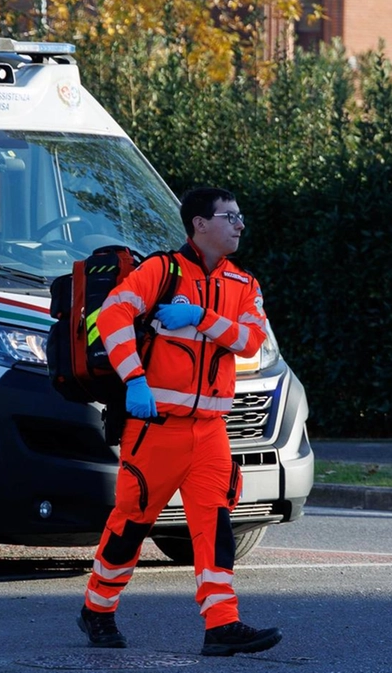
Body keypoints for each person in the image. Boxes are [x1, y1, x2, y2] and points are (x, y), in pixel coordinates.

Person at [76, 187, 282, 657]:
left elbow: (251, 341)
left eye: (239, 216)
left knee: (216, 524)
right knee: (132, 522)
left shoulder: (244, 284)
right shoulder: (162, 270)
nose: (239, 225)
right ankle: (98, 608)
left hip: (210, 430)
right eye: (229, 217)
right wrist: (134, 380)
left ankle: (222, 624)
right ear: (199, 224)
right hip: (156, 428)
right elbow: (112, 315)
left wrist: (202, 317)